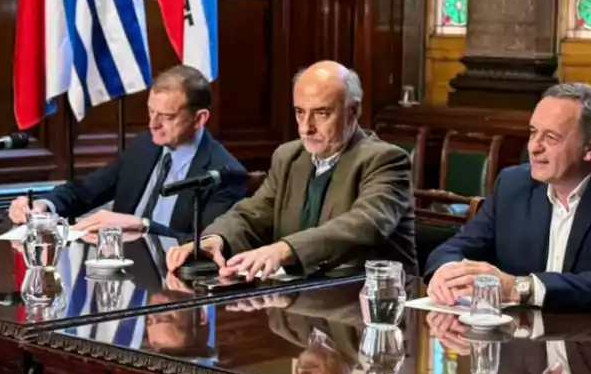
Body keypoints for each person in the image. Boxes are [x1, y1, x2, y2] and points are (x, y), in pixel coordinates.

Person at [166, 61, 416, 279]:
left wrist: (284, 249)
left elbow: (365, 224)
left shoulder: (385, 160)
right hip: (300, 305)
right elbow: (252, 214)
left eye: (321, 113)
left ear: (353, 111)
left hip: (369, 303)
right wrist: (216, 239)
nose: (306, 128)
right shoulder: (289, 157)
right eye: (299, 113)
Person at [425, 82, 591, 312]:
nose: (534, 147)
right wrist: (448, 272)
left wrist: (520, 288)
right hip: (520, 342)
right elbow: (455, 248)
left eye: (551, 138)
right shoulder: (513, 185)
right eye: (533, 132)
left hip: (589, 341)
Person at [8, 66, 245, 240]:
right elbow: (83, 191)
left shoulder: (226, 173)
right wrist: (42, 206)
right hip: (127, 276)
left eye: (167, 117)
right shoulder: (144, 146)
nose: (153, 124)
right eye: (151, 112)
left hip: (178, 288)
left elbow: (206, 244)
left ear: (199, 118)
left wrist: (143, 225)